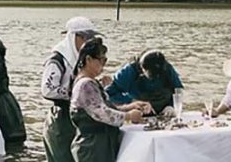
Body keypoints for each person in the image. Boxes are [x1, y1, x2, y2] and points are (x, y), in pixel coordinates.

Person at [69, 38, 150, 162]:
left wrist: (129, 106)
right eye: (101, 60)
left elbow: (104, 107)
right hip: (93, 146)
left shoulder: (89, 82)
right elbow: (102, 113)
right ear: (88, 59)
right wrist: (128, 116)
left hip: (99, 143)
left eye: (105, 60)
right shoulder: (85, 85)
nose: (103, 65)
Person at [42, 17, 103, 162]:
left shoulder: (80, 59)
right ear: (74, 37)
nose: (89, 42)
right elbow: (47, 90)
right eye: (86, 38)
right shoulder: (57, 60)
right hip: (61, 119)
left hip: (76, 118)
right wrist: (75, 92)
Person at [106, 49, 184, 114]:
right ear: (142, 69)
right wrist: (132, 102)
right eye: (152, 76)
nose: (156, 78)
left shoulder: (167, 68)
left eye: (159, 75)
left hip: (165, 111)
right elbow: (109, 93)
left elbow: (178, 90)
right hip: (139, 113)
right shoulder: (129, 72)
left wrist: (171, 106)